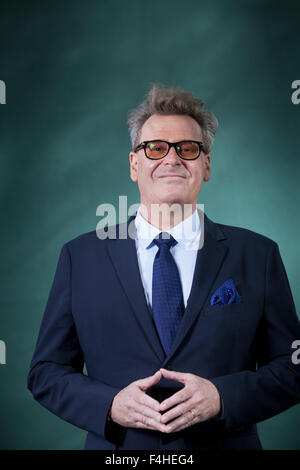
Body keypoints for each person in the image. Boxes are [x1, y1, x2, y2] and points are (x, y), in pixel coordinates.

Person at [27, 84, 300, 450]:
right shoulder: (81, 257)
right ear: (134, 164)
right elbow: (46, 372)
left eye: (188, 149)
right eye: (156, 148)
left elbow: (293, 367)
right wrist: (109, 406)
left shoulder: (258, 254)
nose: (172, 159)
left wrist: (222, 397)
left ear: (205, 165)